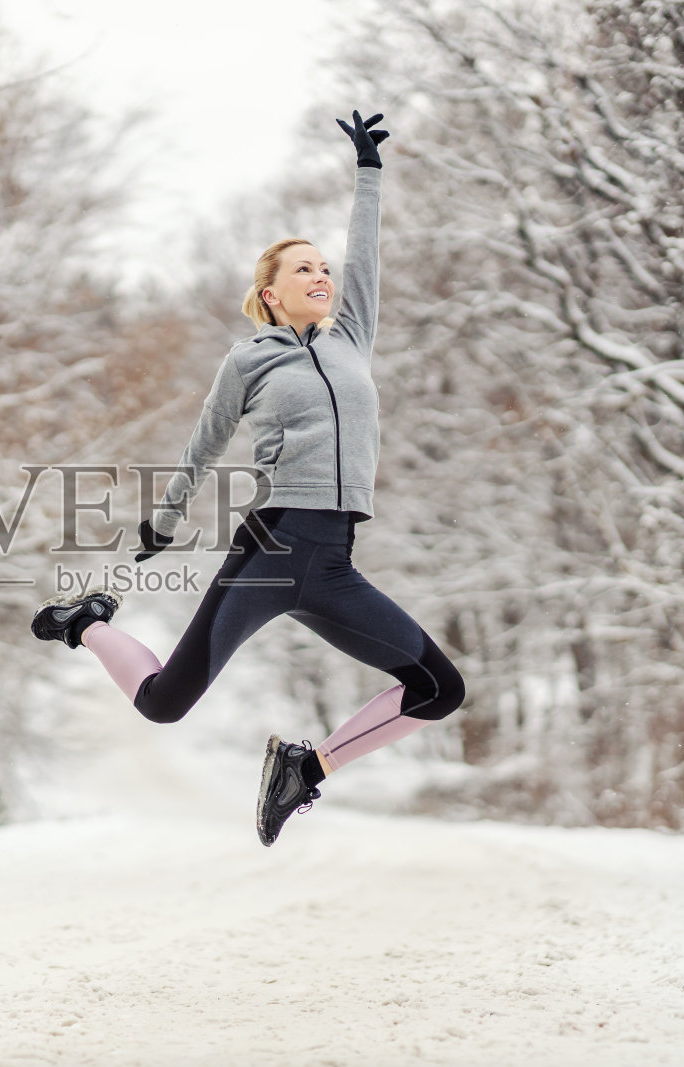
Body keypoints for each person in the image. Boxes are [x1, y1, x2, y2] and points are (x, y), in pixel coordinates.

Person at [31, 111, 465, 847]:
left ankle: (307, 767)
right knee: (165, 703)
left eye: (323, 267)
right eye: (303, 268)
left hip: (332, 561)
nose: (321, 275)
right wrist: (164, 522)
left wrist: (368, 174)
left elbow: (367, 259)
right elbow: (204, 445)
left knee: (439, 689)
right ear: (270, 293)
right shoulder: (249, 360)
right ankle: (88, 621)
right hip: (270, 548)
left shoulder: (352, 338)